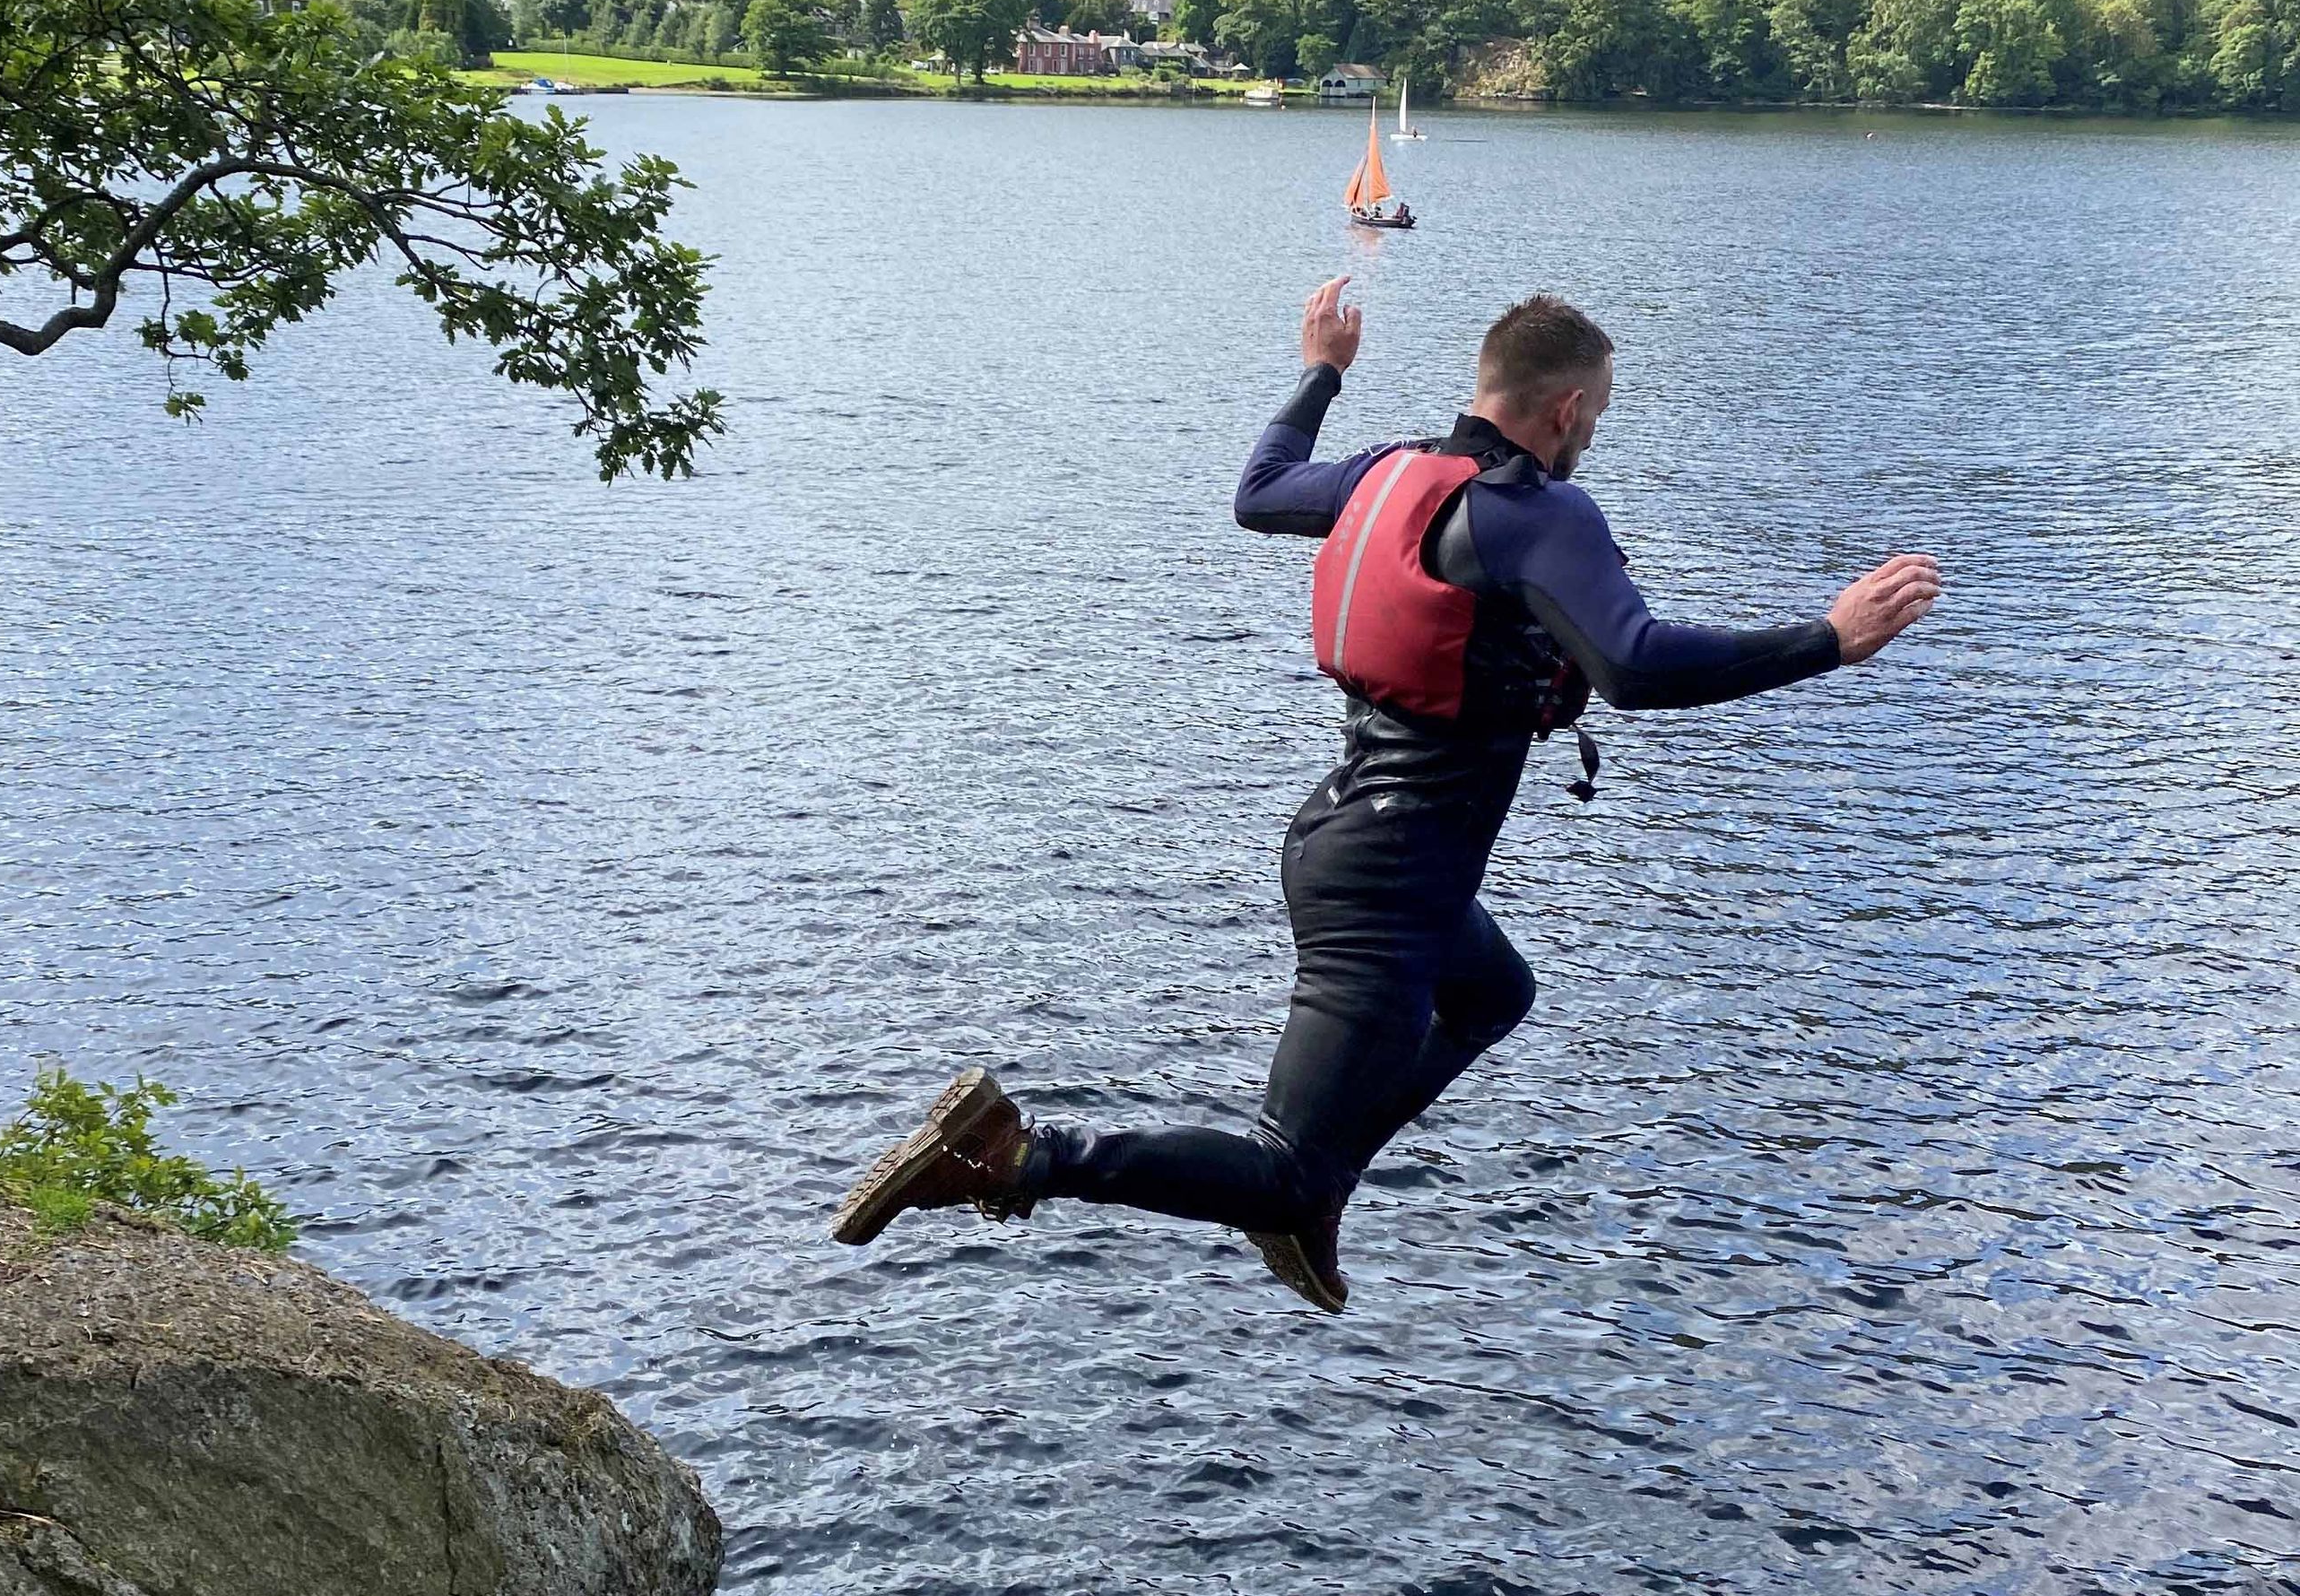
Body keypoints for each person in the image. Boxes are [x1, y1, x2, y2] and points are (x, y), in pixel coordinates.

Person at [831, 281, 1940, 1313]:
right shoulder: (1540, 513)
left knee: (1494, 993)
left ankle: (1319, 1194)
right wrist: (1825, 641)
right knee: (1274, 1166)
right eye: (1597, 411)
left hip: (1349, 840)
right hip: (1391, 881)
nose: (1595, 429)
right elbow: (1638, 667)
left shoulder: (1391, 475)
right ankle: (1018, 1151)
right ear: (1563, 409)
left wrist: (1320, 373)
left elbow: (1259, 491)